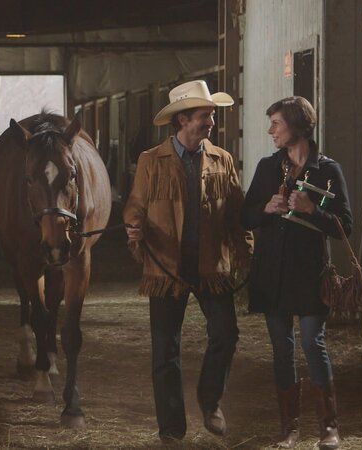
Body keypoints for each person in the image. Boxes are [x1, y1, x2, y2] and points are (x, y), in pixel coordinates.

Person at [123, 80, 253, 442]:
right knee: (166, 349)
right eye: (204, 115)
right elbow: (135, 205)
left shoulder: (222, 159)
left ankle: (209, 400)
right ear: (182, 120)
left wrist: (245, 254)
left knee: (226, 334)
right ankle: (171, 429)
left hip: (212, 266)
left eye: (211, 115)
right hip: (166, 268)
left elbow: (237, 214)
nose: (211, 122)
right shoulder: (151, 161)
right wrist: (134, 227)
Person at [240, 96, 351, 449]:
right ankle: (289, 429)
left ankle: (329, 428)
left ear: (297, 125)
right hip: (272, 273)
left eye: (276, 123)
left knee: (312, 342)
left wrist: (312, 209)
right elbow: (244, 216)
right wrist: (265, 208)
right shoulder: (267, 168)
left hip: (310, 274)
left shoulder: (328, 170)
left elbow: (345, 226)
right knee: (281, 348)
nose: (270, 130)